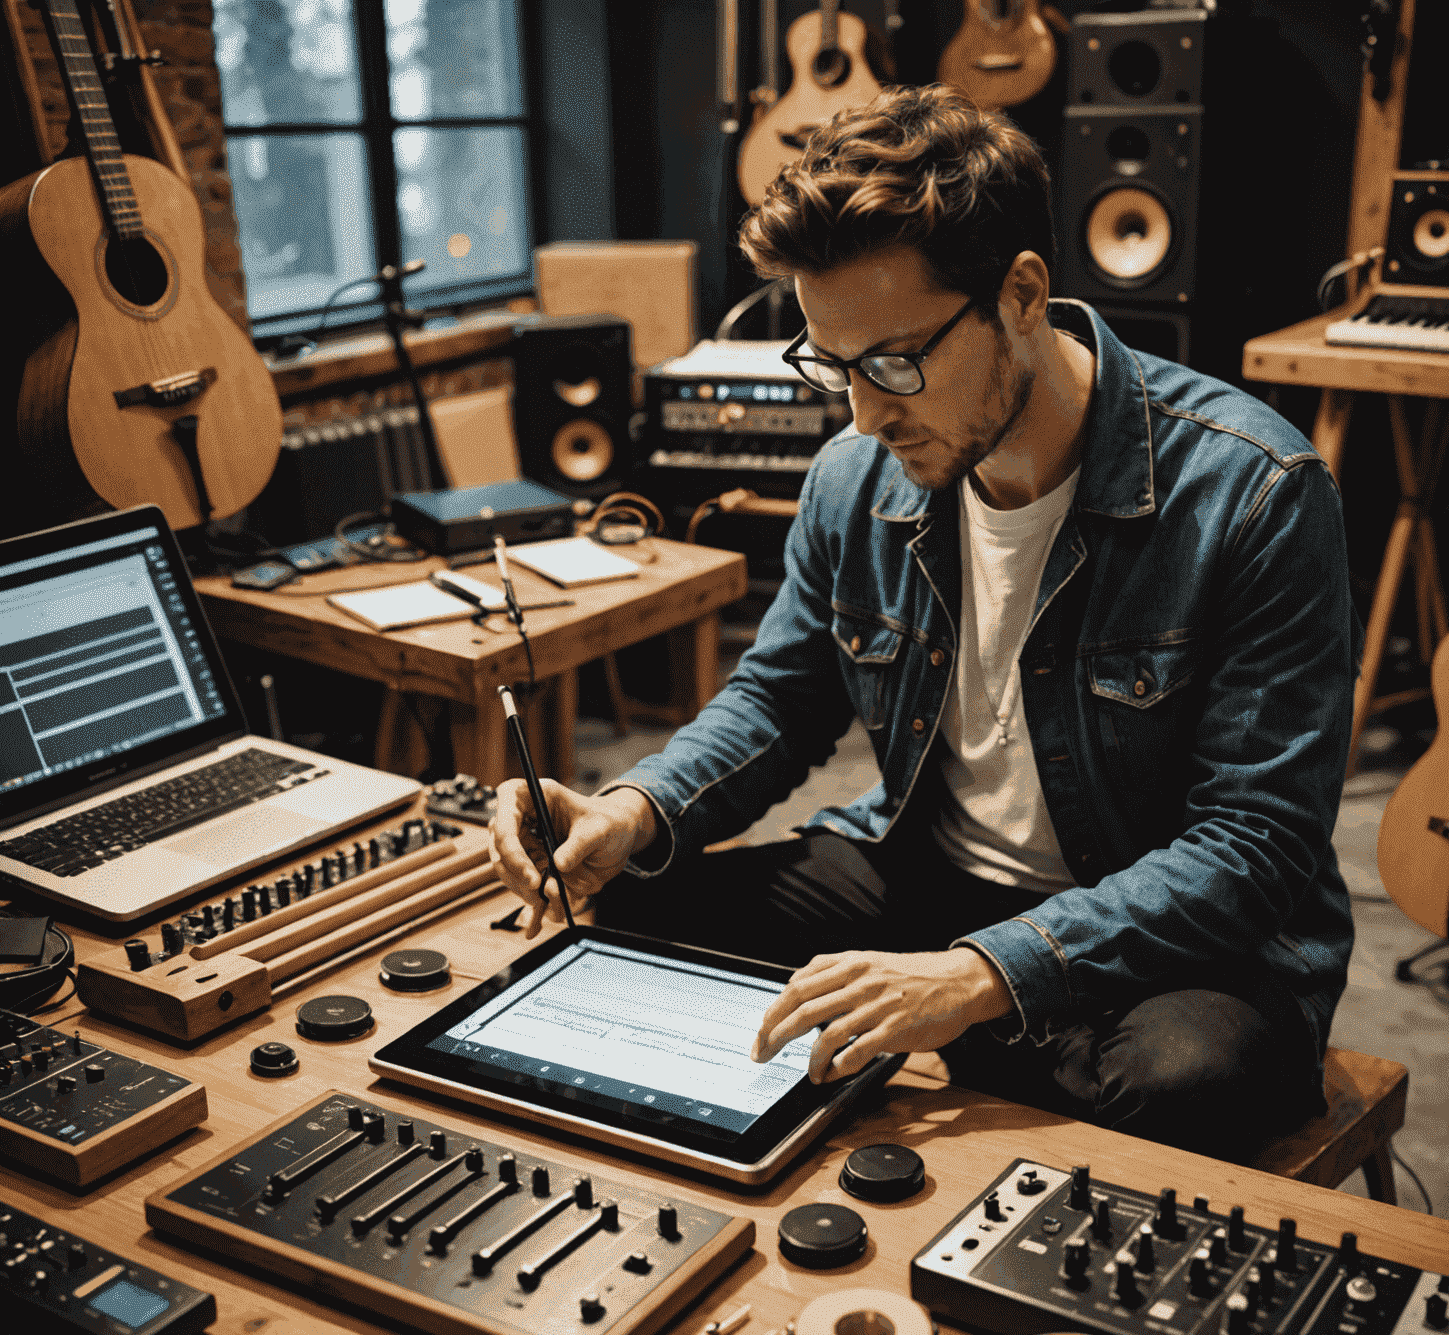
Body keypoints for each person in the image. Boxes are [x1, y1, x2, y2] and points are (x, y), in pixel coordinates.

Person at [489, 84, 1362, 1159]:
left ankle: (985, 1032)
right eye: (834, 365)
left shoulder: (1258, 490)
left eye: (895, 363)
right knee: (621, 914)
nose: (863, 411)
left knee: (1183, 1079)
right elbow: (779, 699)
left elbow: (1254, 846)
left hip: (1174, 936)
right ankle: (986, 1047)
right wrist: (636, 808)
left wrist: (986, 976)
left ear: (1022, 294)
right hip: (924, 875)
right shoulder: (853, 478)